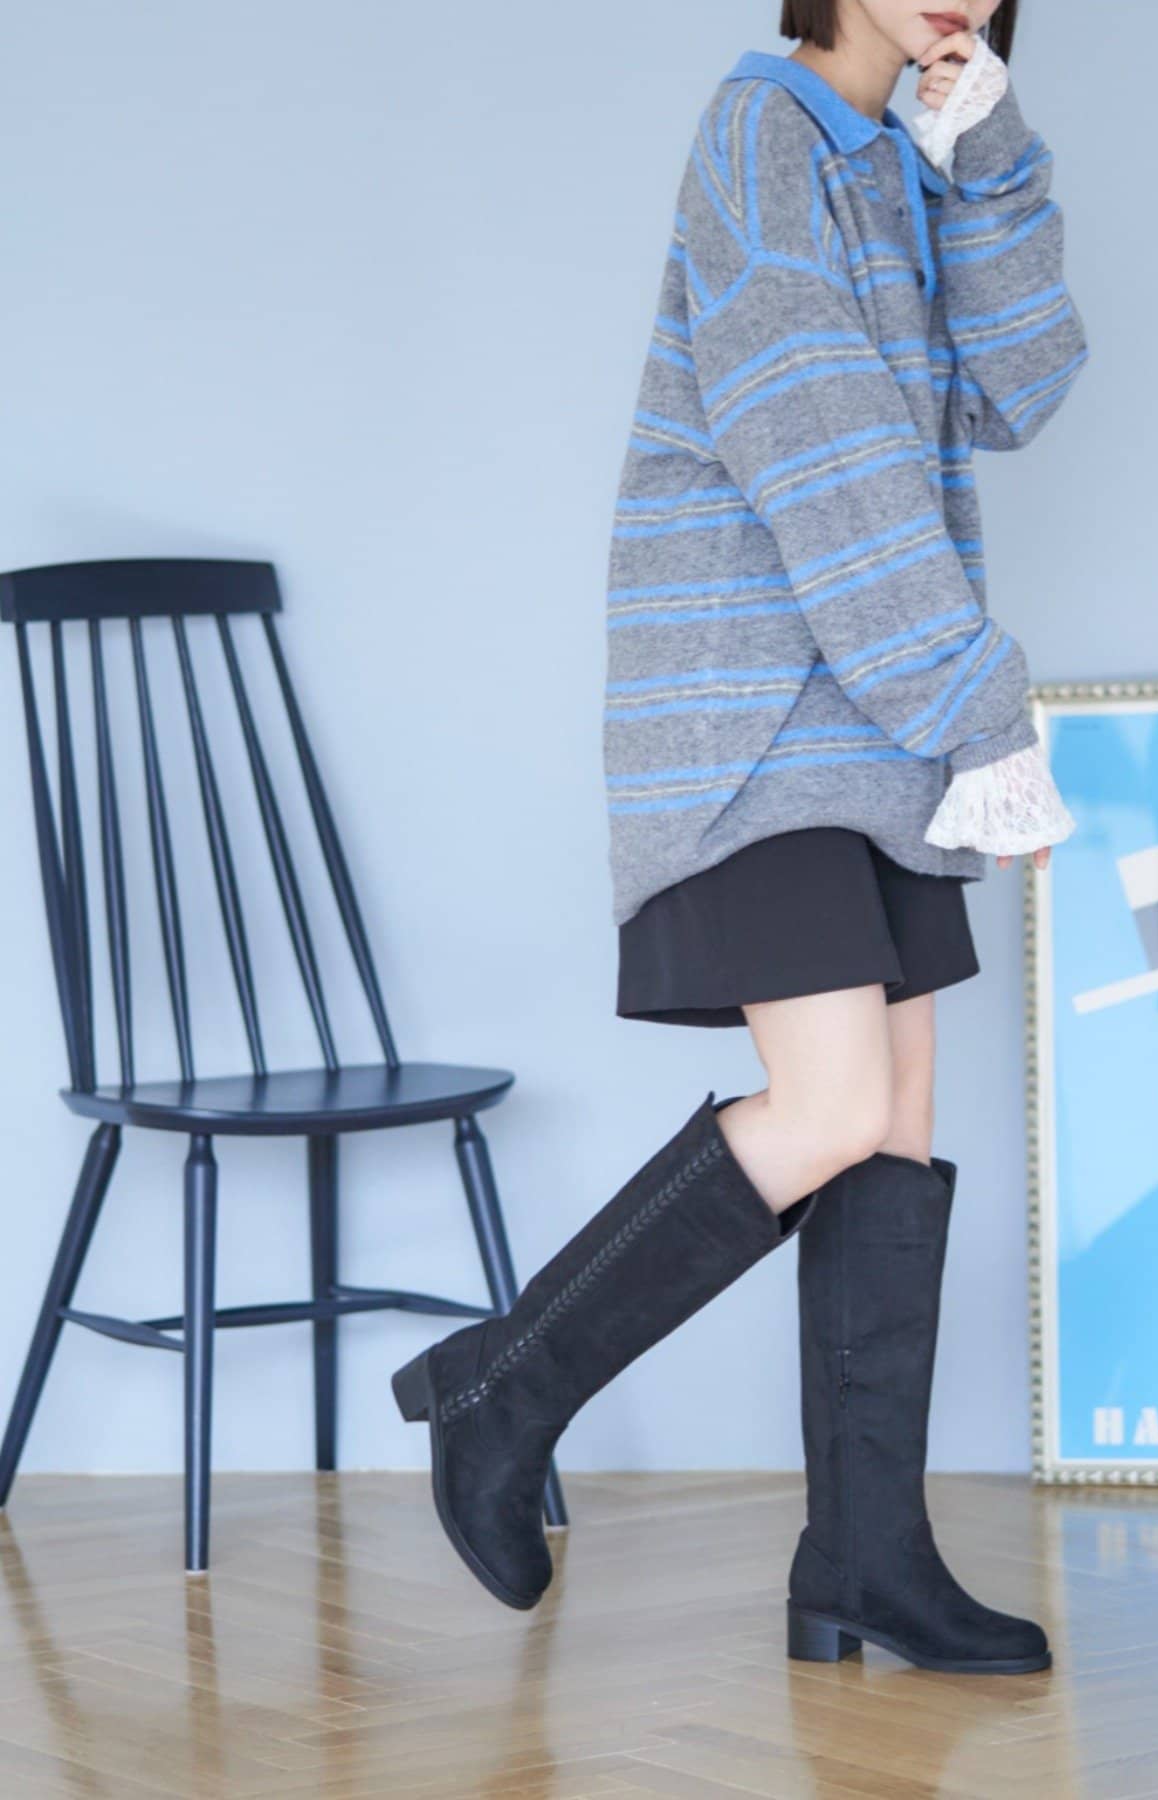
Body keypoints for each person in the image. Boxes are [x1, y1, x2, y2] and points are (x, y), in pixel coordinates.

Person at [393, 0, 1087, 1676]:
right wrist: (976, 700)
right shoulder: (765, 137)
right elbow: (821, 456)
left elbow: (1017, 387)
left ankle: (864, 1562)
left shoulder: (900, 159)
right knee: (834, 1106)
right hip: (759, 711)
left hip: (876, 716)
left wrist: (986, 157)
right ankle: (502, 1390)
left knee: (893, 1128)